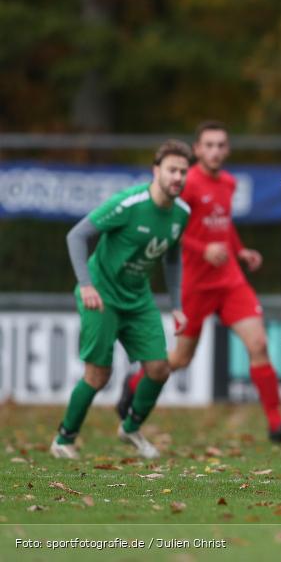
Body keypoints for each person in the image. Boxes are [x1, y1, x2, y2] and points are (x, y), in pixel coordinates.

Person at [117, 121, 281, 443]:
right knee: (180, 359)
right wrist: (203, 249)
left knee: (259, 345)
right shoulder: (187, 183)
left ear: (227, 149)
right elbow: (171, 231)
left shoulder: (229, 183)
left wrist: (240, 250)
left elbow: (224, 225)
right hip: (195, 284)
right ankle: (134, 384)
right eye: (209, 145)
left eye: (221, 145)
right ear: (197, 150)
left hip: (230, 281)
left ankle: (276, 425)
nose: (215, 151)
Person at [51, 140, 192, 460]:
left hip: (138, 298)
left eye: (183, 172)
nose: (178, 177)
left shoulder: (182, 213)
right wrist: (86, 285)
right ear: (156, 171)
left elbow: (173, 257)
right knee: (98, 375)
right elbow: (76, 235)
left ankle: (130, 428)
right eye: (172, 170)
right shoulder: (129, 203)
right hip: (101, 295)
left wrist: (177, 305)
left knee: (159, 368)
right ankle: (63, 439)